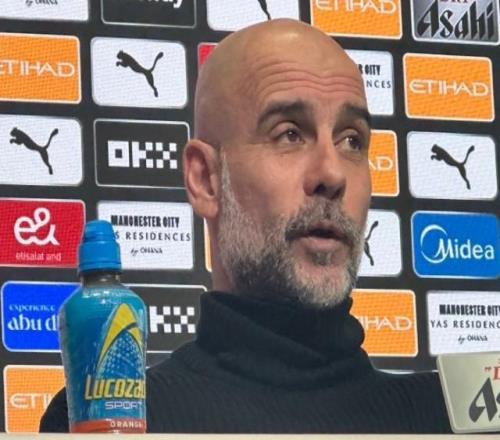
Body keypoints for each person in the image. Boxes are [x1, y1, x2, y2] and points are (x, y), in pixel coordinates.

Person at [40, 19, 452, 433]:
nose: (332, 173)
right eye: (289, 134)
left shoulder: (447, 416)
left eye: (352, 140)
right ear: (205, 179)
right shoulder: (115, 423)